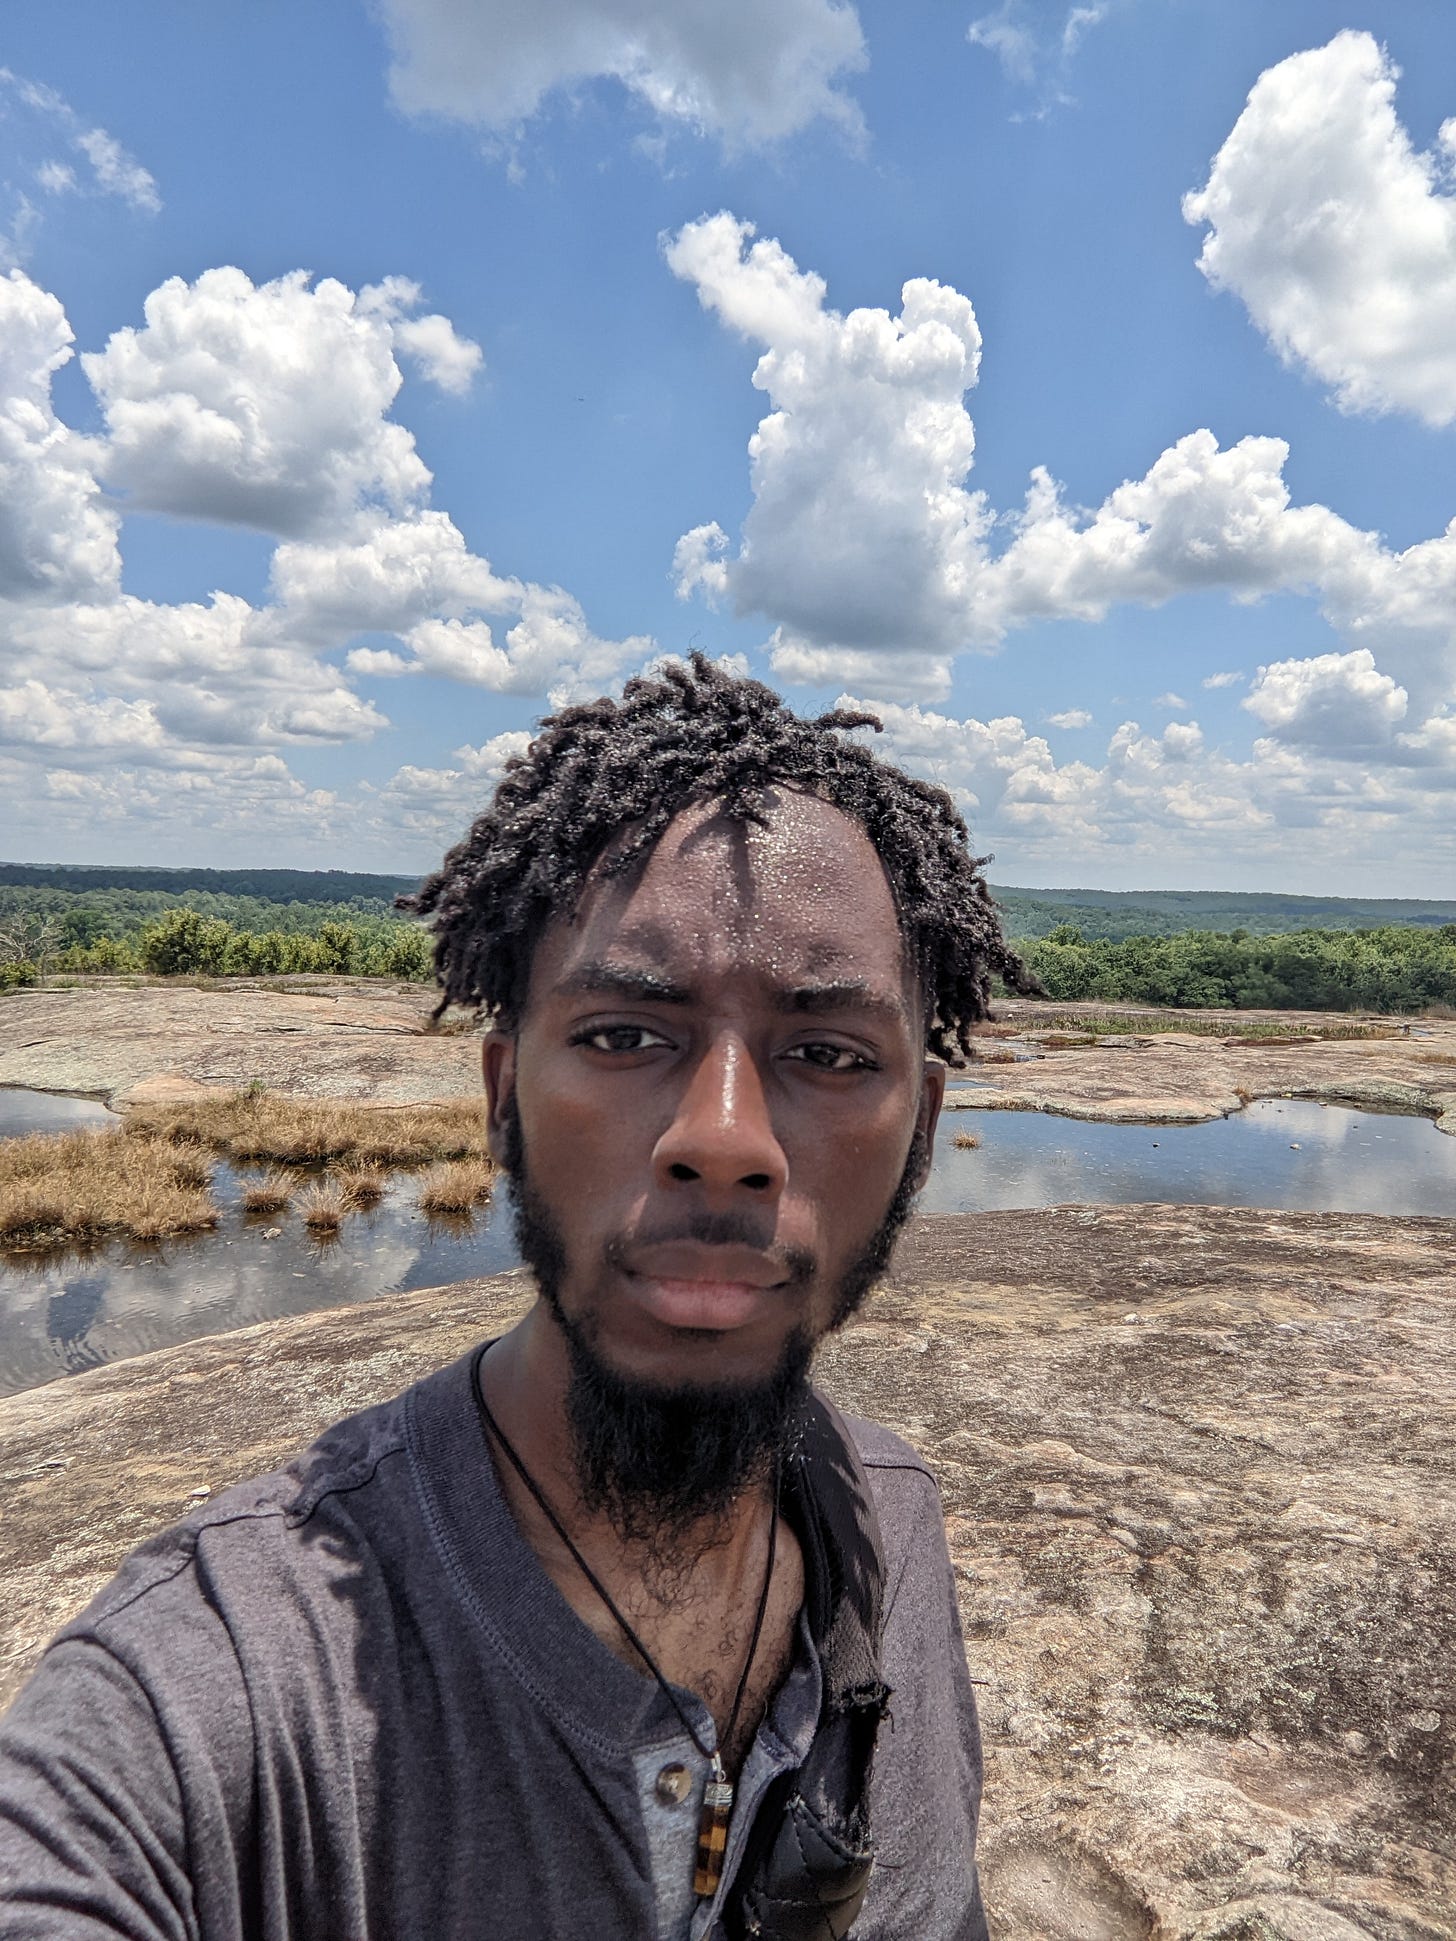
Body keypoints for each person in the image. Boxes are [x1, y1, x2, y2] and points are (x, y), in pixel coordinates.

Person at [0, 656, 1031, 1938]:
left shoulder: (892, 1532)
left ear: (920, 1128)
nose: (723, 1138)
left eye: (826, 1055)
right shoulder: (220, 1685)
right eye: (621, 1035)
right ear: (501, 1098)